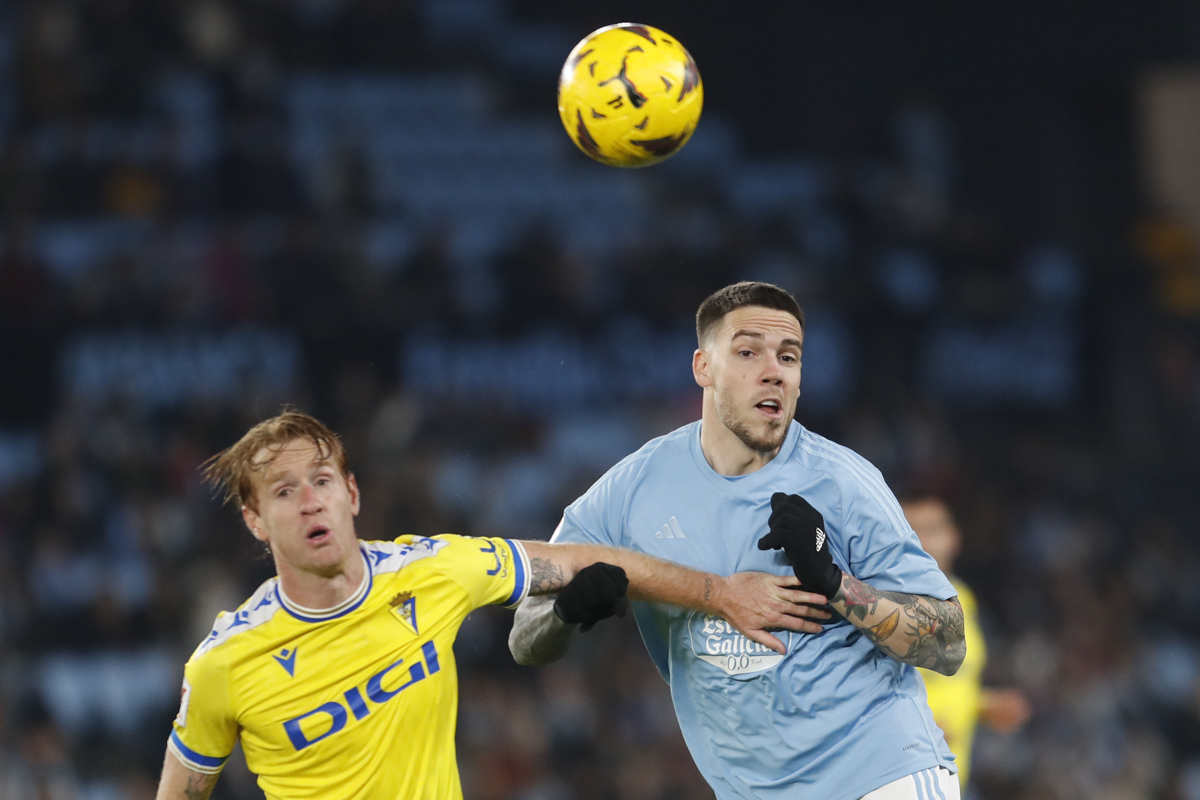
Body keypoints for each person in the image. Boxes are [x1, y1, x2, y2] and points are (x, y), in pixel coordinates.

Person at [153, 410, 826, 800]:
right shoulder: (227, 663)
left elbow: (586, 559)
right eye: (283, 491)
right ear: (254, 521)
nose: (308, 501)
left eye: (321, 481)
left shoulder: (433, 571)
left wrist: (722, 594)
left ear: (351, 494)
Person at [510, 281, 968, 800]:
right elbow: (525, 638)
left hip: (881, 776)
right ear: (703, 367)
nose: (773, 371)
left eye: (789, 357)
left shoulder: (844, 483)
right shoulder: (631, 490)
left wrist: (834, 583)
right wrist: (564, 612)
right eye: (748, 352)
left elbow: (949, 643)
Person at [902, 495, 1031, 790]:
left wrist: (983, 705)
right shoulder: (878, 607)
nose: (923, 542)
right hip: (901, 779)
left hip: (950, 780)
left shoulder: (962, 597)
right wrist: (914, 730)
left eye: (932, 530)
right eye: (910, 531)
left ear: (954, 538)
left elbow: (951, 686)